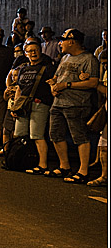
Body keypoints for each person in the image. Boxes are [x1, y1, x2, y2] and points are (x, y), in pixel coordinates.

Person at [47, 29, 100, 182]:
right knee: (55, 134)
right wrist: (53, 86)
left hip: (77, 104)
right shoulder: (64, 58)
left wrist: (67, 85)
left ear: (71, 41)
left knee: (80, 137)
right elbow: (56, 77)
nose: (60, 43)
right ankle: (64, 166)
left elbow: (93, 82)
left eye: (62, 40)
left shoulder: (88, 59)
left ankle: (83, 171)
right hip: (58, 103)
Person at [10, 40, 57, 175]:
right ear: (25, 54)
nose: (33, 53)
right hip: (23, 105)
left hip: (39, 104)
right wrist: (15, 106)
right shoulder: (23, 69)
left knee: (37, 135)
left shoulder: (48, 68)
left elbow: (53, 83)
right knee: (19, 134)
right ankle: (22, 161)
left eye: (35, 50)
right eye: (30, 51)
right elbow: (19, 88)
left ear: (40, 51)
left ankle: (42, 165)